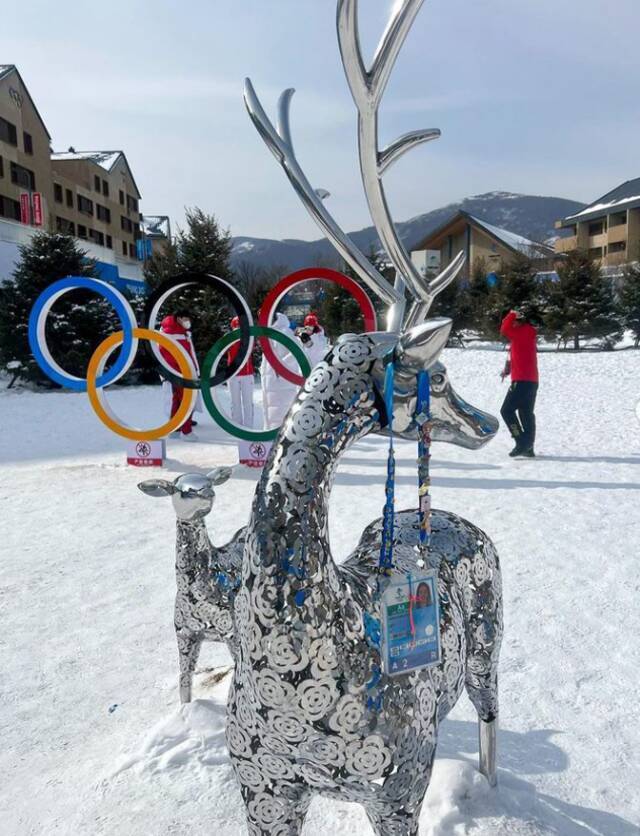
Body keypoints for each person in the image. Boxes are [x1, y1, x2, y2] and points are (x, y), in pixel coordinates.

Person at [499, 308, 539, 458]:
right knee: (526, 413)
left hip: (522, 381)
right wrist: (508, 369)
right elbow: (518, 354)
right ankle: (528, 447)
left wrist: (511, 313)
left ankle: (521, 441)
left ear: (519, 321)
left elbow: (504, 328)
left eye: (514, 321)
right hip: (531, 381)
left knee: (506, 411)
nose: (511, 323)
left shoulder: (521, 332)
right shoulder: (525, 333)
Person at [160, 310, 198, 441]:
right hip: (181, 373)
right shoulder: (170, 333)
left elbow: (190, 353)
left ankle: (174, 429)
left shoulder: (182, 332)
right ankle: (186, 432)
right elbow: (167, 356)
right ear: (179, 318)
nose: (188, 322)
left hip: (183, 372)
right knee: (188, 401)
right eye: (186, 319)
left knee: (177, 400)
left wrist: (195, 371)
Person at [260, 312, 300, 429]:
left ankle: (278, 443)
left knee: (281, 414)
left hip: (281, 383)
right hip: (272, 382)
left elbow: (295, 352)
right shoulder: (270, 334)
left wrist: (280, 368)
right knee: (271, 413)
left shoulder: (284, 332)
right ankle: (270, 441)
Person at [226, 316, 255, 428]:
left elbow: (251, 348)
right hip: (233, 375)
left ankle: (248, 427)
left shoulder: (248, 338)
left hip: (247, 374)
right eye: (236, 326)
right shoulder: (229, 338)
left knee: (247, 402)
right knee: (235, 402)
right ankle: (237, 426)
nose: (238, 329)